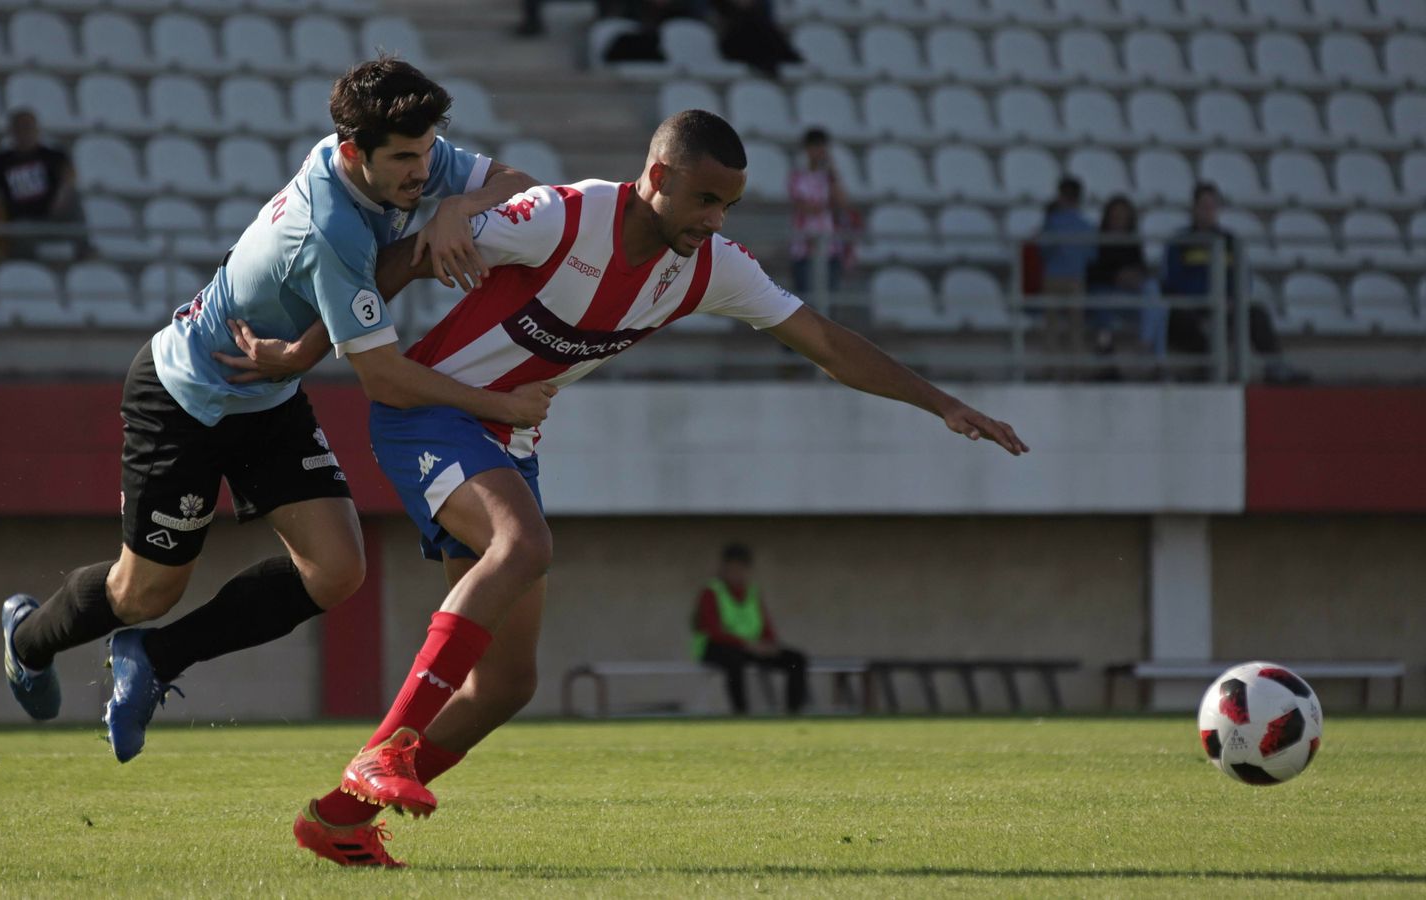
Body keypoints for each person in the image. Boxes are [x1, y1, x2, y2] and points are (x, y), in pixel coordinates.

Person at [226, 109, 1027, 867]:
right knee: (525, 545)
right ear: (656, 175)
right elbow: (401, 262)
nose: (715, 219)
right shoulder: (563, 216)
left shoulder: (710, 268)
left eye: (729, 205)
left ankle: (336, 820)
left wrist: (942, 403)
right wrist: (304, 350)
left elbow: (825, 342)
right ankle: (383, 750)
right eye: (704, 199)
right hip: (429, 414)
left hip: (511, 441)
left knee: (507, 684)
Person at [0, 58, 546, 766]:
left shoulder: (403, 158)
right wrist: (500, 405)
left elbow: (526, 186)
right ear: (354, 152)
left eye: (429, 151)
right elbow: (382, 378)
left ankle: (155, 658)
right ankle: (27, 640)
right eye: (406, 158)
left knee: (337, 570)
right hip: (185, 394)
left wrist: (454, 208)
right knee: (146, 589)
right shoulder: (330, 226)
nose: (423, 168)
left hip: (266, 393)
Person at [1162, 183, 1297, 382]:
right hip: (1193, 307)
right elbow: (1172, 281)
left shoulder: (1230, 241)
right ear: (1194, 208)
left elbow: (1243, 278)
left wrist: (1232, 299)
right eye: (1203, 206)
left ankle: (1275, 366)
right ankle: (1208, 371)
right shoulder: (1180, 242)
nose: (1207, 212)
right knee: (1186, 321)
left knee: (1256, 314)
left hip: (1227, 305)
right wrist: (1205, 299)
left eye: (1212, 207)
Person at [691, 542, 808, 714]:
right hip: (715, 648)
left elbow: (765, 624)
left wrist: (770, 644)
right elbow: (713, 630)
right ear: (724, 569)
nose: (737, 574)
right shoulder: (712, 591)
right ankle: (741, 712)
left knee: (796, 660)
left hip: (750, 648)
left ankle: (793, 711)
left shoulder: (752, 592)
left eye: (741, 569)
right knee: (734, 662)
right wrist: (746, 644)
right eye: (732, 569)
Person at [0, 109, 88, 259]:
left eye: (29, 128)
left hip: (53, 216)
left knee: (74, 200)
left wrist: (63, 192)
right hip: (21, 221)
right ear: (12, 132)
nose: (25, 133)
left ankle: (85, 250)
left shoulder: (53, 156)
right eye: (20, 128)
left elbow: (69, 175)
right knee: (19, 231)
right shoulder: (0, 161)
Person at [1084, 195, 1167, 372]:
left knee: (1157, 298)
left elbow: (1141, 267)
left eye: (1122, 217)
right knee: (1104, 299)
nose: (1118, 221)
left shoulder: (1132, 242)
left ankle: (1149, 347)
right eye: (1115, 216)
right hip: (1106, 295)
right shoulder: (1097, 241)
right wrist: (1116, 277)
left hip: (1130, 296)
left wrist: (1135, 277)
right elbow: (1091, 273)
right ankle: (1155, 358)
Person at [1036, 177, 1096, 377]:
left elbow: (1044, 249)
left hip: (1054, 276)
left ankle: (1050, 367)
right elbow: (1091, 255)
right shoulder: (1085, 224)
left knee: (1052, 325)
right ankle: (1077, 367)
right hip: (1076, 278)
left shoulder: (1052, 222)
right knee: (1076, 325)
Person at [788, 128, 847, 298]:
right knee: (805, 298)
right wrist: (825, 205)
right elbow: (803, 207)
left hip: (830, 244)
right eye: (815, 147)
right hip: (803, 244)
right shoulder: (797, 176)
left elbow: (842, 203)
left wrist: (833, 175)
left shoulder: (829, 177)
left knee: (831, 297)